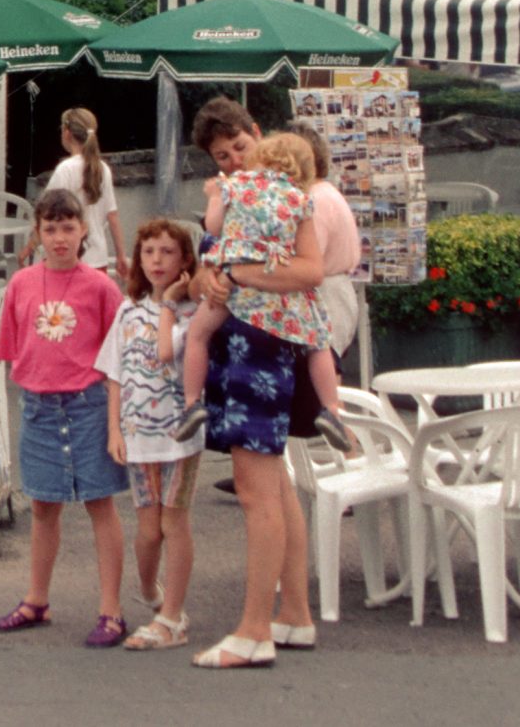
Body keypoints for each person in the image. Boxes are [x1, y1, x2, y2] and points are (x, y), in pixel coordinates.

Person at [185, 139, 330, 668]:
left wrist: (238, 273)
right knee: (275, 485)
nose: (234, 160)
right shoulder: (291, 198)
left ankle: (253, 631)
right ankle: (293, 614)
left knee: (256, 493)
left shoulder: (254, 195)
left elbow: (310, 270)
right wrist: (216, 276)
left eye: (241, 148)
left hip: (256, 348)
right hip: (256, 343)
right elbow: (206, 264)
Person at [0, 186, 132, 647]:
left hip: (88, 406)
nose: (59, 238)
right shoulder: (22, 284)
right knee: (44, 506)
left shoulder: (101, 287)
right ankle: (36, 599)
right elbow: (12, 351)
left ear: (83, 230)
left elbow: (119, 359)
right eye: (50, 229)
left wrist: (115, 423)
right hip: (39, 408)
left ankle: (111, 610)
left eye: (68, 228)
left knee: (99, 502)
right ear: (38, 233)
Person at [173, 133, 347, 452]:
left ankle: (191, 402)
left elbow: (213, 227)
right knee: (318, 342)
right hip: (278, 286)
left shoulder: (236, 186)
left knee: (197, 335)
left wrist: (214, 197)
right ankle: (332, 409)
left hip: (234, 286)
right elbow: (309, 264)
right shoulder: (300, 200)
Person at [99, 217, 205, 652]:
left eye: (167, 252)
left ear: (184, 261)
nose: (157, 261)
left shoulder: (194, 313)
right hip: (138, 434)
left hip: (179, 435)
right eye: (148, 252)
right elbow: (115, 374)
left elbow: (166, 352)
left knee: (173, 521)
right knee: (148, 528)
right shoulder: (127, 310)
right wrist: (114, 430)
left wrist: (170, 302)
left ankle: (173, 616)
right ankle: (149, 591)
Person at [296, 125, 363, 435]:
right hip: (335, 291)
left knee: (330, 388)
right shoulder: (325, 192)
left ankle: (349, 454)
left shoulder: (315, 199)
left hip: (327, 294)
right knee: (331, 383)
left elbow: (310, 260)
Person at [20, 108, 127, 286]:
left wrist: (28, 248)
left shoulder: (66, 169)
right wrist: (121, 255)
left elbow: (46, 214)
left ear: (67, 133)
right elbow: (113, 216)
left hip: (67, 259)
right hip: (98, 259)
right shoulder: (103, 169)